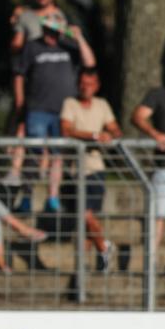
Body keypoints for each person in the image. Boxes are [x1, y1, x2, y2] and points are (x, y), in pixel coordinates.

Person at [14, 18, 95, 212]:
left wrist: (78, 37)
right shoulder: (32, 47)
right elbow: (19, 75)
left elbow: (90, 62)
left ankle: (53, 197)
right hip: (37, 108)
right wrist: (20, 103)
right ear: (42, 29)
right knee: (34, 154)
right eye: (49, 31)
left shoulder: (70, 46)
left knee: (58, 155)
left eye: (56, 31)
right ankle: (27, 196)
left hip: (63, 111)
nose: (52, 36)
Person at [59, 68, 121, 272]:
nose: (86, 87)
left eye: (90, 83)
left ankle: (99, 253)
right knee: (83, 218)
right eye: (83, 83)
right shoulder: (70, 103)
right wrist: (95, 136)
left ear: (97, 86)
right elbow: (66, 130)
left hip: (95, 169)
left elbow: (115, 129)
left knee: (85, 216)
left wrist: (110, 135)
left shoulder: (102, 105)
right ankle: (101, 250)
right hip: (76, 170)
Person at [132, 56, 165, 263]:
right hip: (164, 166)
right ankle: (150, 260)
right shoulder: (158, 94)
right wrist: (155, 134)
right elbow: (138, 116)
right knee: (159, 214)